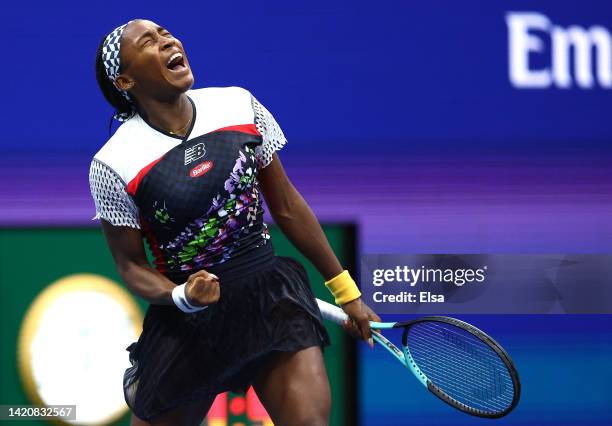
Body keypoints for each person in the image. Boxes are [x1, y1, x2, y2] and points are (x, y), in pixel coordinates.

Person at [90, 18, 380, 426]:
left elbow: (287, 207)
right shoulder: (113, 163)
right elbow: (131, 266)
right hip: (190, 324)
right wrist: (182, 296)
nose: (168, 40)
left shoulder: (238, 105)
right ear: (125, 80)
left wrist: (346, 291)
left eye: (166, 33)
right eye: (149, 42)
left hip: (270, 299)